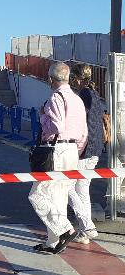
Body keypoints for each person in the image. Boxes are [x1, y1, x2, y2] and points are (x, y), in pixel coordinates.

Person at [28, 62, 88, 254]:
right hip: (72, 151)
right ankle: (52, 242)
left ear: (51, 79)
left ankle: (64, 229)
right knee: (59, 197)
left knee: (37, 194)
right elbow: (84, 133)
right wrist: (76, 151)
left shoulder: (55, 97)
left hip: (57, 150)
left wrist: (43, 115)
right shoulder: (77, 99)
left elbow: (57, 127)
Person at [69, 64, 103, 244]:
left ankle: (87, 226)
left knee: (67, 187)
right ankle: (84, 231)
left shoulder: (84, 95)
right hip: (96, 148)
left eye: (73, 77)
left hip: (84, 148)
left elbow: (79, 121)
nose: (72, 81)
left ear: (78, 78)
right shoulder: (95, 94)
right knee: (83, 189)